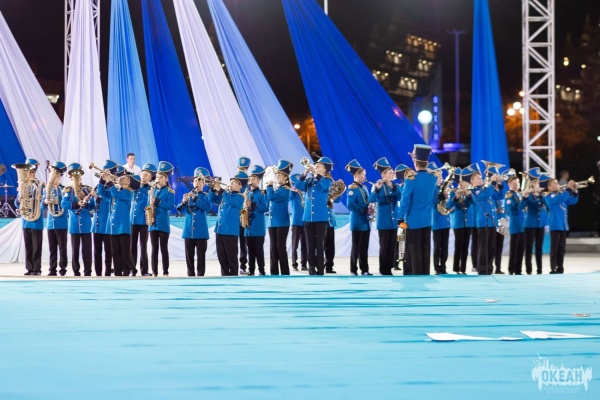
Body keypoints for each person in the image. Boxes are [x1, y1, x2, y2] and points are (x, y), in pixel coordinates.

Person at [397, 145, 438, 275]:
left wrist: (400, 217)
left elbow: (405, 201)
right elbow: (434, 198)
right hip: (427, 220)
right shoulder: (433, 178)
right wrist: (416, 158)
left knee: (415, 252)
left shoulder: (411, 180)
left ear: (415, 163)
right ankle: (425, 274)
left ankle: (417, 276)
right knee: (425, 250)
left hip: (413, 221)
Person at [295, 157, 333, 275]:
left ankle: (320, 269)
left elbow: (325, 187)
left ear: (325, 169)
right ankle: (311, 270)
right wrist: (305, 173)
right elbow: (298, 186)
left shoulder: (327, 180)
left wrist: (316, 173)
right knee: (310, 245)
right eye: (315, 166)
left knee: (319, 245)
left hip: (321, 218)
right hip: (308, 218)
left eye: (319, 166)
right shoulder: (309, 181)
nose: (315, 167)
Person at [468, 164, 505, 275]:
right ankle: (482, 269)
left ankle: (489, 268)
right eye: (478, 178)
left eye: (481, 178)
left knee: (491, 247)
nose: (481, 179)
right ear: (472, 181)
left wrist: (499, 184)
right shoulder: (475, 191)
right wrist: (492, 182)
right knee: (483, 248)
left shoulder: (485, 189)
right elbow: (486, 195)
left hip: (492, 222)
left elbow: (500, 196)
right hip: (483, 222)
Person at [209, 171, 247, 276]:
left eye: (234, 182)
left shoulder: (240, 197)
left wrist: (220, 190)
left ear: (240, 186)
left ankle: (233, 277)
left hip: (230, 231)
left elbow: (231, 201)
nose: (231, 184)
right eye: (231, 182)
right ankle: (224, 276)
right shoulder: (226, 195)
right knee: (222, 257)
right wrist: (212, 189)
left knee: (231, 257)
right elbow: (211, 199)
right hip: (220, 230)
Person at [61, 163, 96, 276]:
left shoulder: (87, 190)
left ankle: (88, 271)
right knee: (75, 250)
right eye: (73, 176)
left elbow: (92, 206)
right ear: (70, 177)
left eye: (78, 176)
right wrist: (76, 204)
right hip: (74, 225)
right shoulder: (68, 191)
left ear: (81, 177)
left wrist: (87, 204)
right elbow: (63, 204)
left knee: (87, 250)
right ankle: (76, 271)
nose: (76, 178)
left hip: (86, 225)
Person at [98, 165, 133, 276]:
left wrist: (109, 180)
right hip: (113, 227)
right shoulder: (115, 191)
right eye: (120, 177)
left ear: (128, 181)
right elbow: (101, 193)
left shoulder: (128, 192)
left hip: (123, 227)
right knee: (115, 253)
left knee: (124, 253)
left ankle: (126, 272)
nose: (120, 178)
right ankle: (117, 273)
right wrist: (102, 180)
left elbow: (116, 194)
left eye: (123, 177)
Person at [177, 167, 211, 277]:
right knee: (189, 256)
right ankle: (190, 274)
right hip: (188, 231)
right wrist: (183, 202)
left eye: (200, 181)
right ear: (192, 183)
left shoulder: (206, 196)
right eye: (196, 181)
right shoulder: (188, 195)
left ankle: (201, 274)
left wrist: (195, 198)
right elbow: (180, 210)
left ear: (204, 184)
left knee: (201, 256)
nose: (197, 183)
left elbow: (207, 207)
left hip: (201, 231)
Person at [369, 157, 399, 275]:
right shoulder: (378, 186)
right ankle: (383, 269)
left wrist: (392, 186)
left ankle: (389, 268)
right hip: (384, 222)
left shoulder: (395, 186)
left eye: (392, 173)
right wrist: (377, 189)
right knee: (384, 247)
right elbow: (371, 199)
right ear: (383, 175)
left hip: (393, 222)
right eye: (390, 173)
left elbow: (400, 196)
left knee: (392, 247)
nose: (392, 175)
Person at [543, 174, 578, 274]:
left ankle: (560, 267)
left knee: (562, 248)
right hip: (555, 225)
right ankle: (553, 268)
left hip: (563, 225)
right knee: (555, 248)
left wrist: (575, 191)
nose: (557, 185)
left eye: (557, 183)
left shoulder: (561, 195)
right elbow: (560, 199)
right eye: (554, 184)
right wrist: (569, 189)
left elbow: (573, 201)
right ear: (549, 187)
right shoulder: (549, 196)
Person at [14, 159, 43, 275]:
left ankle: (37, 269)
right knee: (28, 246)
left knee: (36, 247)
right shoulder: (23, 186)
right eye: (25, 172)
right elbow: (17, 204)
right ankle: (29, 268)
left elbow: (43, 206)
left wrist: (40, 200)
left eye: (29, 172)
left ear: (33, 173)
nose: (27, 174)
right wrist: (19, 199)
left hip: (36, 220)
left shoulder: (39, 185)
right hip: (25, 221)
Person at [266, 160, 293, 275]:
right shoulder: (278, 189)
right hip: (273, 222)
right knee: (273, 249)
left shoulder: (285, 190)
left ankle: (285, 273)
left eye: (280, 175)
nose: (277, 177)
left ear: (286, 177)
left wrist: (269, 186)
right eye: (276, 175)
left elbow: (271, 197)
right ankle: (274, 272)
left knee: (280, 248)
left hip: (282, 222)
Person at [345, 159, 371, 276]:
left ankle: (365, 269)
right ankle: (353, 269)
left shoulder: (364, 188)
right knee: (356, 247)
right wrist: (363, 210)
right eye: (363, 175)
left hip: (365, 222)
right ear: (356, 175)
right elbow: (350, 204)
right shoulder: (352, 188)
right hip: (357, 221)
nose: (365, 177)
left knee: (364, 247)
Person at [149, 162, 175, 277]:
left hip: (163, 223)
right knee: (154, 249)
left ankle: (165, 271)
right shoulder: (152, 190)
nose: (158, 179)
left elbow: (170, 206)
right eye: (157, 177)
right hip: (152, 223)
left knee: (164, 248)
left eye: (161, 177)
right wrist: (150, 203)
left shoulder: (169, 192)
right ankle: (154, 271)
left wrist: (157, 201)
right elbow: (148, 204)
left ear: (166, 179)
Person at [91, 160, 117, 276]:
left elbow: (107, 201)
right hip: (97, 225)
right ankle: (98, 274)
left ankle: (107, 273)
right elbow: (100, 193)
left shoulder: (113, 189)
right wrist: (101, 180)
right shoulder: (100, 187)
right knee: (97, 252)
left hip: (107, 224)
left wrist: (97, 197)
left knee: (108, 251)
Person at [42, 161, 69, 276]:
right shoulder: (46, 189)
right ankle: (52, 269)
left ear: (60, 177)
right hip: (50, 223)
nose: (54, 178)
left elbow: (66, 205)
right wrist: (45, 202)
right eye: (53, 176)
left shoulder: (64, 189)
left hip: (61, 222)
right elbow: (42, 207)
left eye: (57, 176)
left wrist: (60, 201)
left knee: (62, 248)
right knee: (52, 248)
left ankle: (63, 269)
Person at [446, 167, 473, 275]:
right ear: (460, 182)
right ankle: (456, 268)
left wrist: (468, 195)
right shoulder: (453, 192)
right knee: (458, 246)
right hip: (458, 222)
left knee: (465, 247)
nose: (466, 184)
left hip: (467, 223)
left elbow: (471, 204)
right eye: (464, 182)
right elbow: (448, 205)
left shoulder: (469, 192)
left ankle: (463, 269)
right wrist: (456, 197)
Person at [130, 163, 156, 276]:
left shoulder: (151, 189)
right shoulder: (134, 187)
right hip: (133, 220)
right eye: (142, 174)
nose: (143, 177)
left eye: (146, 175)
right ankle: (132, 269)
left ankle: (144, 270)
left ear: (150, 177)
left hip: (144, 220)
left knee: (143, 246)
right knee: (132, 246)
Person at [244, 165, 268, 276]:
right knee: (250, 250)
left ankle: (261, 270)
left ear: (258, 181)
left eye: (253, 179)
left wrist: (254, 205)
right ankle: (251, 270)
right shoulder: (247, 193)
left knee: (259, 250)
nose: (251, 181)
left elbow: (265, 207)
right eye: (250, 179)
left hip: (258, 226)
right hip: (248, 227)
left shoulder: (262, 193)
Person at [523, 168, 547, 274]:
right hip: (530, 224)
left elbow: (547, 203)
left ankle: (539, 270)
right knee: (528, 248)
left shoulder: (542, 195)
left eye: (538, 183)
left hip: (540, 224)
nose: (538, 185)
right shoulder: (528, 195)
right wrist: (524, 198)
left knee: (539, 248)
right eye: (536, 183)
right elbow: (521, 207)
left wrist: (540, 195)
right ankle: (529, 270)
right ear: (532, 184)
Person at [430, 163, 451, 275]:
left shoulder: (442, 188)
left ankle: (443, 266)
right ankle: (436, 267)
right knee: (437, 246)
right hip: (437, 220)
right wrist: (441, 196)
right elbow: (431, 201)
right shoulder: (432, 188)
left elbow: (447, 203)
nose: (441, 177)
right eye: (438, 175)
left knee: (445, 247)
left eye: (441, 175)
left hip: (445, 220)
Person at [504, 176, 527, 275]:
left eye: (518, 183)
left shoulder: (518, 195)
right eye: (514, 183)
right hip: (515, 224)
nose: (517, 185)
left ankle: (518, 269)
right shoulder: (509, 195)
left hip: (522, 224)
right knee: (514, 248)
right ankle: (511, 269)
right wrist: (524, 199)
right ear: (509, 184)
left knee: (521, 248)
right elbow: (514, 210)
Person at [236, 156, 251, 275]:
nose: (242, 171)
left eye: (244, 169)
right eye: (241, 168)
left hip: (245, 217)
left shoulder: (250, 185)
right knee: (233, 243)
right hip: (234, 217)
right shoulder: (234, 182)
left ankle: (243, 266)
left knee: (244, 243)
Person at [289, 174, 307, 271]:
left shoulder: (306, 193)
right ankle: (294, 264)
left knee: (305, 245)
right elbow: (289, 196)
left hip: (305, 222)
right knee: (294, 245)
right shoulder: (293, 194)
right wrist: (292, 189)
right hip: (296, 222)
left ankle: (304, 264)